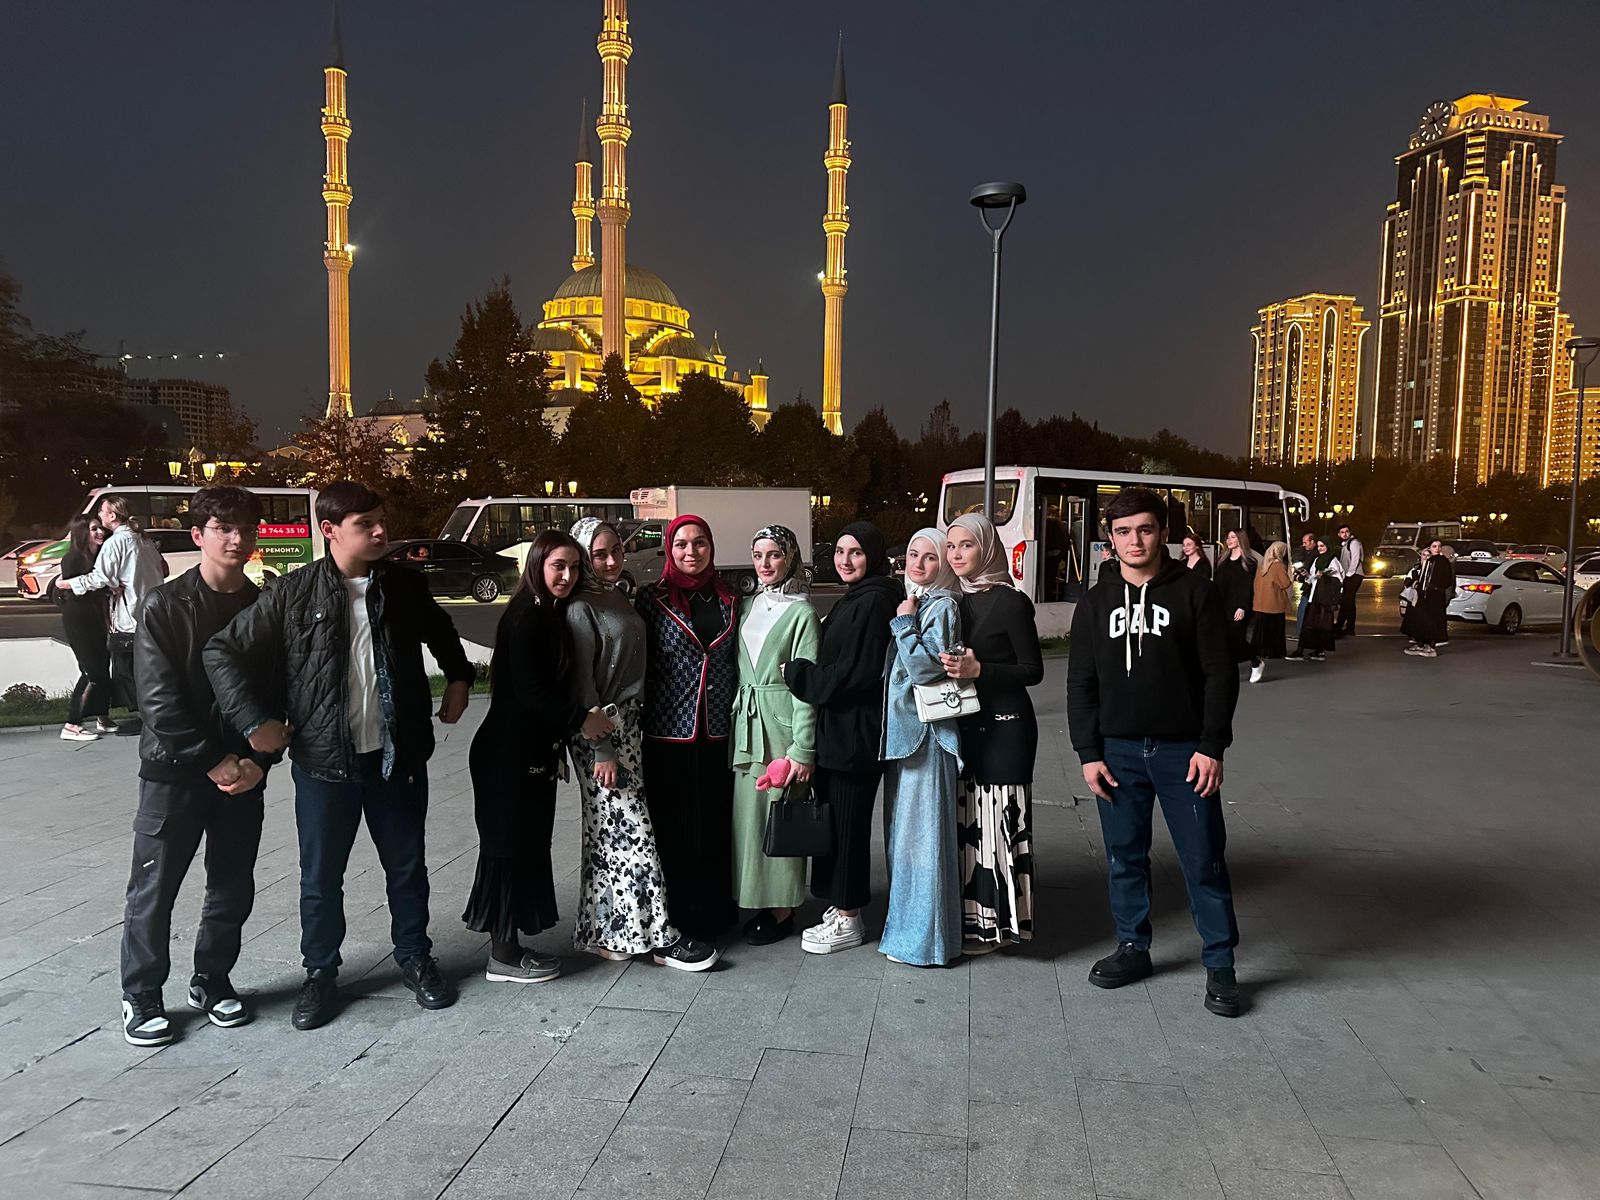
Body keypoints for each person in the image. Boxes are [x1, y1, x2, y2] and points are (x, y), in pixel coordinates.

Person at [206, 481, 475, 1030]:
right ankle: (321, 972)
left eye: (381, 520)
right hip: (325, 763)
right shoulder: (292, 592)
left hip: (395, 758)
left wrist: (459, 677)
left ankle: (415, 957)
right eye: (365, 524)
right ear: (329, 530)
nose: (380, 531)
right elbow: (222, 650)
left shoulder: (403, 585)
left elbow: (441, 630)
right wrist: (252, 722)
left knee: (406, 867)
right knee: (321, 877)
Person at [1066, 487, 1243, 1018]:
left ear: (1163, 533)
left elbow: (1220, 675)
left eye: (1145, 529)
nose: (1135, 541)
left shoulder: (1195, 592)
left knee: (1203, 858)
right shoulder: (1094, 603)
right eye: (1123, 531)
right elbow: (1080, 683)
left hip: (1184, 752)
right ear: (1110, 538)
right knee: (1124, 856)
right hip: (1117, 752)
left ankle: (1221, 964)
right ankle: (1132, 946)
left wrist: (1211, 745)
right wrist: (1088, 752)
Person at [119, 487, 275, 1047]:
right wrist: (213, 761)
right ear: (198, 535)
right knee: (155, 888)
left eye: (246, 529)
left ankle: (212, 980)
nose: (237, 539)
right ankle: (141, 995)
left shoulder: (263, 605)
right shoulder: (164, 605)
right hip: (175, 773)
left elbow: (276, 694)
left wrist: (259, 760)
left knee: (232, 885)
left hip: (242, 775)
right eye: (223, 528)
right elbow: (158, 702)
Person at [567, 518, 716, 969]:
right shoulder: (580, 607)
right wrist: (602, 749)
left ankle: (606, 932)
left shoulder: (613, 594)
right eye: (599, 555)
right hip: (602, 732)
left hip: (629, 726)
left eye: (616, 550)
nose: (611, 561)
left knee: (607, 835)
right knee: (634, 832)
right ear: (583, 557)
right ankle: (660, 938)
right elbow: (581, 682)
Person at [460, 529, 591, 982]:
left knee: (526, 847)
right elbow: (531, 692)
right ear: (537, 565)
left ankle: (510, 947)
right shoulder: (526, 616)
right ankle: (503, 955)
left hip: (528, 753)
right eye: (558, 566)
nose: (567, 575)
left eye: (574, 567)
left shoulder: (545, 611)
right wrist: (582, 719)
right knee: (508, 850)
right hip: (507, 756)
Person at [784, 522, 901, 954]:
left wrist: (797, 674)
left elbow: (854, 674)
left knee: (849, 826)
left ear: (873, 556)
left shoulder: (874, 601)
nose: (845, 560)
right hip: (842, 733)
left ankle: (850, 919)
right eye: (839, 551)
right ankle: (840, 907)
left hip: (856, 736)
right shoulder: (857, 597)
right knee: (836, 822)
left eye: (856, 552)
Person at [940, 513, 1044, 954]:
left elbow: (1033, 670)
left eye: (966, 545)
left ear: (986, 549)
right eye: (951, 546)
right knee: (971, 827)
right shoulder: (950, 600)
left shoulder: (1010, 601)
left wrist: (980, 669)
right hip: (965, 727)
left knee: (1001, 825)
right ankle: (974, 924)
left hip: (1006, 727)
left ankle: (1005, 926)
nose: (956, 554)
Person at [636, 514, 739, 940]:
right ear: (669, 549)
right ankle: (678, 914)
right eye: (681, 544)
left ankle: (717, 911)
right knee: (675, 825)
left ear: (711, 548)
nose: (691, 552)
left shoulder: (730, 597)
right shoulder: (651, 598)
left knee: (715, 821)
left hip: (718, 729)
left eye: (699, 543)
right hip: (667, 730)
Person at [730, 525, 821, 945]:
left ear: (791, 557)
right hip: (747, 723)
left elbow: (807, 687)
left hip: (781, 726)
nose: (765, 564)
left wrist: (803, 747)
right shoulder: (748, 604)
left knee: (779, 814)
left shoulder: (803, 613)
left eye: (774, 554)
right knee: (749, 819)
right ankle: (753, 899)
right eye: (758, 555)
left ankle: (783, 910)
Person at [878, 528, 963, 967]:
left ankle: (926, 943)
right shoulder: (921, 600)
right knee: (905, 840)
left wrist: (903, 624)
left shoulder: (942, 604)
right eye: (913, 554)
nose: (919, 564)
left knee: (923, 841)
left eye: (930, 557)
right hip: (909, 736)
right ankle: (909, 935)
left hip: (928, 736)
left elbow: (927, 672)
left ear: (943, 563)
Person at [67, 493, 165, 735]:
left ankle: (144, 718)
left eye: (102, 511)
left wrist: (67, 584)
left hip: (130, 617)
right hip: (150, 612)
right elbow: (162, 569)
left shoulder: (116, 543)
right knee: (145, 669)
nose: (100, 517)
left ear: (112, 515)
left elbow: (100, 577)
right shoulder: (142, 539)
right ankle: (145, 716)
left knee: (128, 672)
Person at [56, 515, 117, 742]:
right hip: (79, 620)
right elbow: (73, 590)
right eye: (93, 529)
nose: (100, 532)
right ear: (82, 533)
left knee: (103, 666)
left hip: (95, 619)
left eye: (100, 528)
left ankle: (102, 717)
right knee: (92, 671)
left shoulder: (100, 556)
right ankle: (72, 724)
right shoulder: (72, 558)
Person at [1214, 529, 1262, 683]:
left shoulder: (1249, 562)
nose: (1229, 540)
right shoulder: (1222, 560)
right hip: (1222, 605)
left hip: (1239, 606)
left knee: (1236, 639)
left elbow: (1247, 587)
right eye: (1228, 537)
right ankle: (1227, 670)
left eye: (1233, 537)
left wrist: (1242, 607)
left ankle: (1255, 661)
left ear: (1240, 539)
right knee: (1223, 639)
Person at [1249, 541, 1295, 673]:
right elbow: (1285, 584)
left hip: (1260, 603)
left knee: (1261, 629)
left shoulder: (1262, 565)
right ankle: (1273, 651)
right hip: (1274, 603)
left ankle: (1259, 650)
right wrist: (1291, 576)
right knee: (1275, 629)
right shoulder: (1277, 566)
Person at [1405, 538, 1453, 657]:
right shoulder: (1429, 560)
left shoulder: (1442, 561)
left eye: (1439, 546)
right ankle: (1421, 644)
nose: (1437, 548)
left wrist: (1436, 587)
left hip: (1435, 595)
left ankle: (1431, 647)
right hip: (1425, 595)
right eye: (1434, 546)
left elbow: (1447, 579)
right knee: (1423, 619)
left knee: (1433, 620)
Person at [1298, 537, 1344, 662]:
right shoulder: (1317, 559)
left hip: (1324, 598)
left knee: (1321, 624)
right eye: (1318, 546)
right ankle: (1306, 650)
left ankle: (1319, 650)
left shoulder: (1333, 561)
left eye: (1322, 546)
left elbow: (1339, 579)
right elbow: (1312, 578)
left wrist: (1324, 576)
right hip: (1314, 596)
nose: (1320, 549)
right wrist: (1307, 575)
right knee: (1310, 623)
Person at [1285, 532, 1319, 658]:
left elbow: (1309, 574)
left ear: (1313, 542)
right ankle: (1315, 649)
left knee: (1303, 616)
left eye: (1305, 542)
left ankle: (1301, 647)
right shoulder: (1309, 554)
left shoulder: (1314, 555)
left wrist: (1301, 577)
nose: (1303, 545)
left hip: (1310, 590)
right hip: (1310, 590)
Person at [1334, 524, 1365, 637]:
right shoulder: (1345, 544)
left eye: (1346, 531)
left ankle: (1343, 627)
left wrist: (1349, 575)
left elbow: (1355, 559)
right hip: (1349, 576)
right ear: (1339, 534)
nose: (1345, 534)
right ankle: (1347, 627)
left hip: (1354, 575)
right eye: (1342, 532)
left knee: (1347, 601)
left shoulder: (1354, 543)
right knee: (1348, 602)